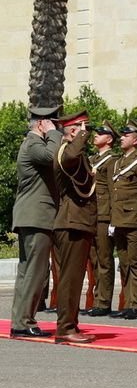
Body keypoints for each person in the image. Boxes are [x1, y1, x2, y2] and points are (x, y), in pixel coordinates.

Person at [9, 105, 62, 338]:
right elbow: (53, 156)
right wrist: (54, 134)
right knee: (36, 272)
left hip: (32, 216)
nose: (56, 126)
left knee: (27, 271)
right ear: (42, 123)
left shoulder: (32, 143)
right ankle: (24, 322)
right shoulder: (33, 144)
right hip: (36, 216)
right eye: (52, 122)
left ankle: (20, 321)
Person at [53, 110, 98, 344]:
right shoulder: (66, 151)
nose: (87, 134)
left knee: (73, 278)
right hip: (72, 222)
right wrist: (80, 136)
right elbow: (71, 157)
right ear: (73, 130)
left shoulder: (73, 152)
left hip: (77, 222)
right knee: (70, 279)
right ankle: (65, 328)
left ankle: (70, 324)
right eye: (84, 129)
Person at [109, 119, 137, 320]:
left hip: (133, 219)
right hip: (119, 220)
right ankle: (127, 303)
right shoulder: (118, 162)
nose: (122, 138)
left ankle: (135, 304)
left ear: (136, 140)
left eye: (126, 135)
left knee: (135, 263)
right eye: (122, 135)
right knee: (123, 263)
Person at [85, 120, 120, 317]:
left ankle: (104, 302)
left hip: (104, 214)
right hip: (91, 214)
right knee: (94, 260)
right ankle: (97, 298)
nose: (95, 135)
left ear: (109, 139)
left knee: (105, 259)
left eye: (100, 133)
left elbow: (114, 191)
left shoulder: (112, 160)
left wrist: (113, 218)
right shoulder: (91, 159)